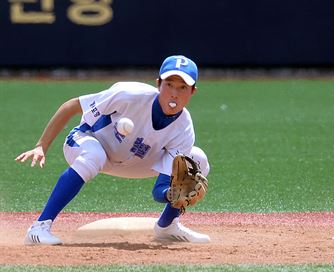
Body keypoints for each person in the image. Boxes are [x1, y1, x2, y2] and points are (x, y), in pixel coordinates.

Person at [15, 55, 211, 245]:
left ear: (193, 91)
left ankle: (167, 227)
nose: (174, 93)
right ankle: (38, 228)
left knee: (197, 158)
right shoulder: (129, 94)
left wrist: (172, 195)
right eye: (169, 84)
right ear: (158, 83)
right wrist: (41, 145)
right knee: (95, 154)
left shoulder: (184, 129)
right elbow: (71, 106)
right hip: (87, 142)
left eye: (182, 87)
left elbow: (158, 190)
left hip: (136, 160)